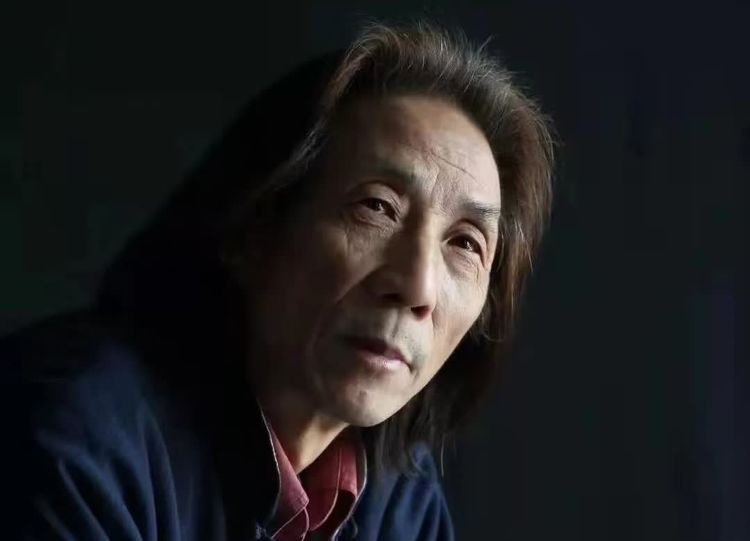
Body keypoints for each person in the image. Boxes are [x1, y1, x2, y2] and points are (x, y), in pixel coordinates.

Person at [1, 20, 554, 541]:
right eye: (377, 207)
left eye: (465, 244)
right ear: (255, 230)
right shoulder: (74, 433)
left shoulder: (399, 499)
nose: (418, 288)